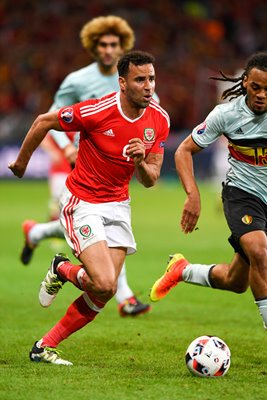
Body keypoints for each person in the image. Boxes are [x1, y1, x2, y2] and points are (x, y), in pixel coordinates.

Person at [9, 50, 170, 365]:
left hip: (119, 205)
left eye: (151, 78)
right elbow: (45, 121)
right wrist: (20, 163)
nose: (148, 86)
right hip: (82, 202)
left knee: (104, 293)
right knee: (104, 282)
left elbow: (151, 179)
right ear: (122, 83)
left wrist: (139, 161)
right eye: (140, 79)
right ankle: (62, 268)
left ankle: (44, 347)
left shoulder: (159, 119)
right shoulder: (98, 110)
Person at [20, 15, 158, 317]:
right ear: (93, 48)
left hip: (117, 173)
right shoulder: (77, 81)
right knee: (92, 232)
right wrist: (68, 149)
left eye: (114, 44)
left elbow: (151, 120)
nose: (109, 50)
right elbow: (50, 119)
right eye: (103, 44)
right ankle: (124, 297)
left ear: (123, 47)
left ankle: (37, 234)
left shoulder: (140, 78)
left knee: (94, 231)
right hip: (84, 164)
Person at [149, 51, 267, 331]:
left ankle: (183, 270)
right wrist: (193, 194)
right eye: (256, 87)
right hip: (243, 194)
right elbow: (184, 150)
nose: (262, 94)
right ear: (245, 82)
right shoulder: (227, 114)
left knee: (235, 282)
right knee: (260, 252)